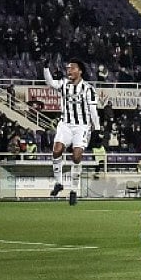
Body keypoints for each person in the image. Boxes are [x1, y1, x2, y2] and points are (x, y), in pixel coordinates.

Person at [43, 60, 101, 206]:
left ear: (80, 71)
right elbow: (50, 83)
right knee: (56, 151)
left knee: (76, 156)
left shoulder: (88, 89)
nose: (69, 70)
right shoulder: (64, 84)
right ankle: (58, 183)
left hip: (81, 126)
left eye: (72, 68)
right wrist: (45, 67)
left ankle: (74, 190)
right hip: (65, 125)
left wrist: (97, 130)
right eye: (68, 68)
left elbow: (93, 111)